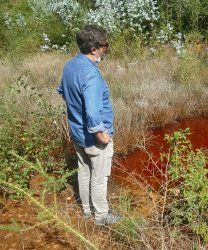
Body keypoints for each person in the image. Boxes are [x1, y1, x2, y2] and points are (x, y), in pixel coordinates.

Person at [57, 24, 120, 225]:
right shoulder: (91, 74)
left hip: (77, 133)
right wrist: (101, 135)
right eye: (105, 45)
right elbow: (93, 112)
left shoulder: (70, 65)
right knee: (99, 177)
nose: (106, 49)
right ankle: (101, 217)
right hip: (93, 137)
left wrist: (75, 109)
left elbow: (61, 91)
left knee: (84, 171)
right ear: (94, 49)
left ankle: (86, 210)